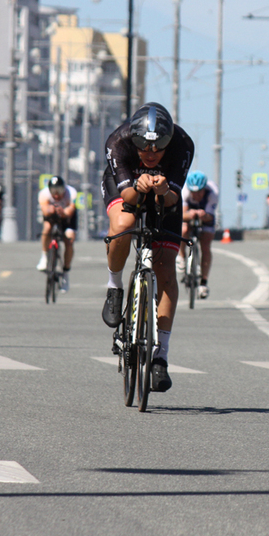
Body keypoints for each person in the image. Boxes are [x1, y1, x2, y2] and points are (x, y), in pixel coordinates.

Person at [101, 102, 194, 393]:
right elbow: (127, 194)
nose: (151, 154)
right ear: (134, 140)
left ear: (168, 142)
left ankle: (160, 356)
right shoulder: (118, 141)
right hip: (127, 186)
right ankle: (114, 285)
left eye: (158, 149)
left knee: (165, 269)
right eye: (144, 148)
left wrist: (164, 190)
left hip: (166, 196)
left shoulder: (182, 144)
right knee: (123, 224)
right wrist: (140, 186)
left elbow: (172, 201)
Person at [179, 170, 218, 300]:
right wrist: (190, 214)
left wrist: (202, 214)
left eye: (199, 192)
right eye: (194, 192)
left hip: (205, 213)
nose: (196, 195)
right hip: (189, 211)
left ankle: (204, 282)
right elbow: (182, 215)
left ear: (204, 189)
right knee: (183, 229)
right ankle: (182, 257)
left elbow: (209, 216)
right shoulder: (184, 192)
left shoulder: (212, 192)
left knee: (206, 245)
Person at [36, 175, 77, 293]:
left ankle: (66, 272)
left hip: (67, 217)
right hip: (52, 215)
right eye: (54, 192)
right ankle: (44, 256)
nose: (57, 195)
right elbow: (45, 210)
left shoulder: (71, 193)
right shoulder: (44, 194)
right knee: (47, 229)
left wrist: (63, 212)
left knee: (69, 240)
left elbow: (70, 211)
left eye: (59, 191)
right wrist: (52, 210)